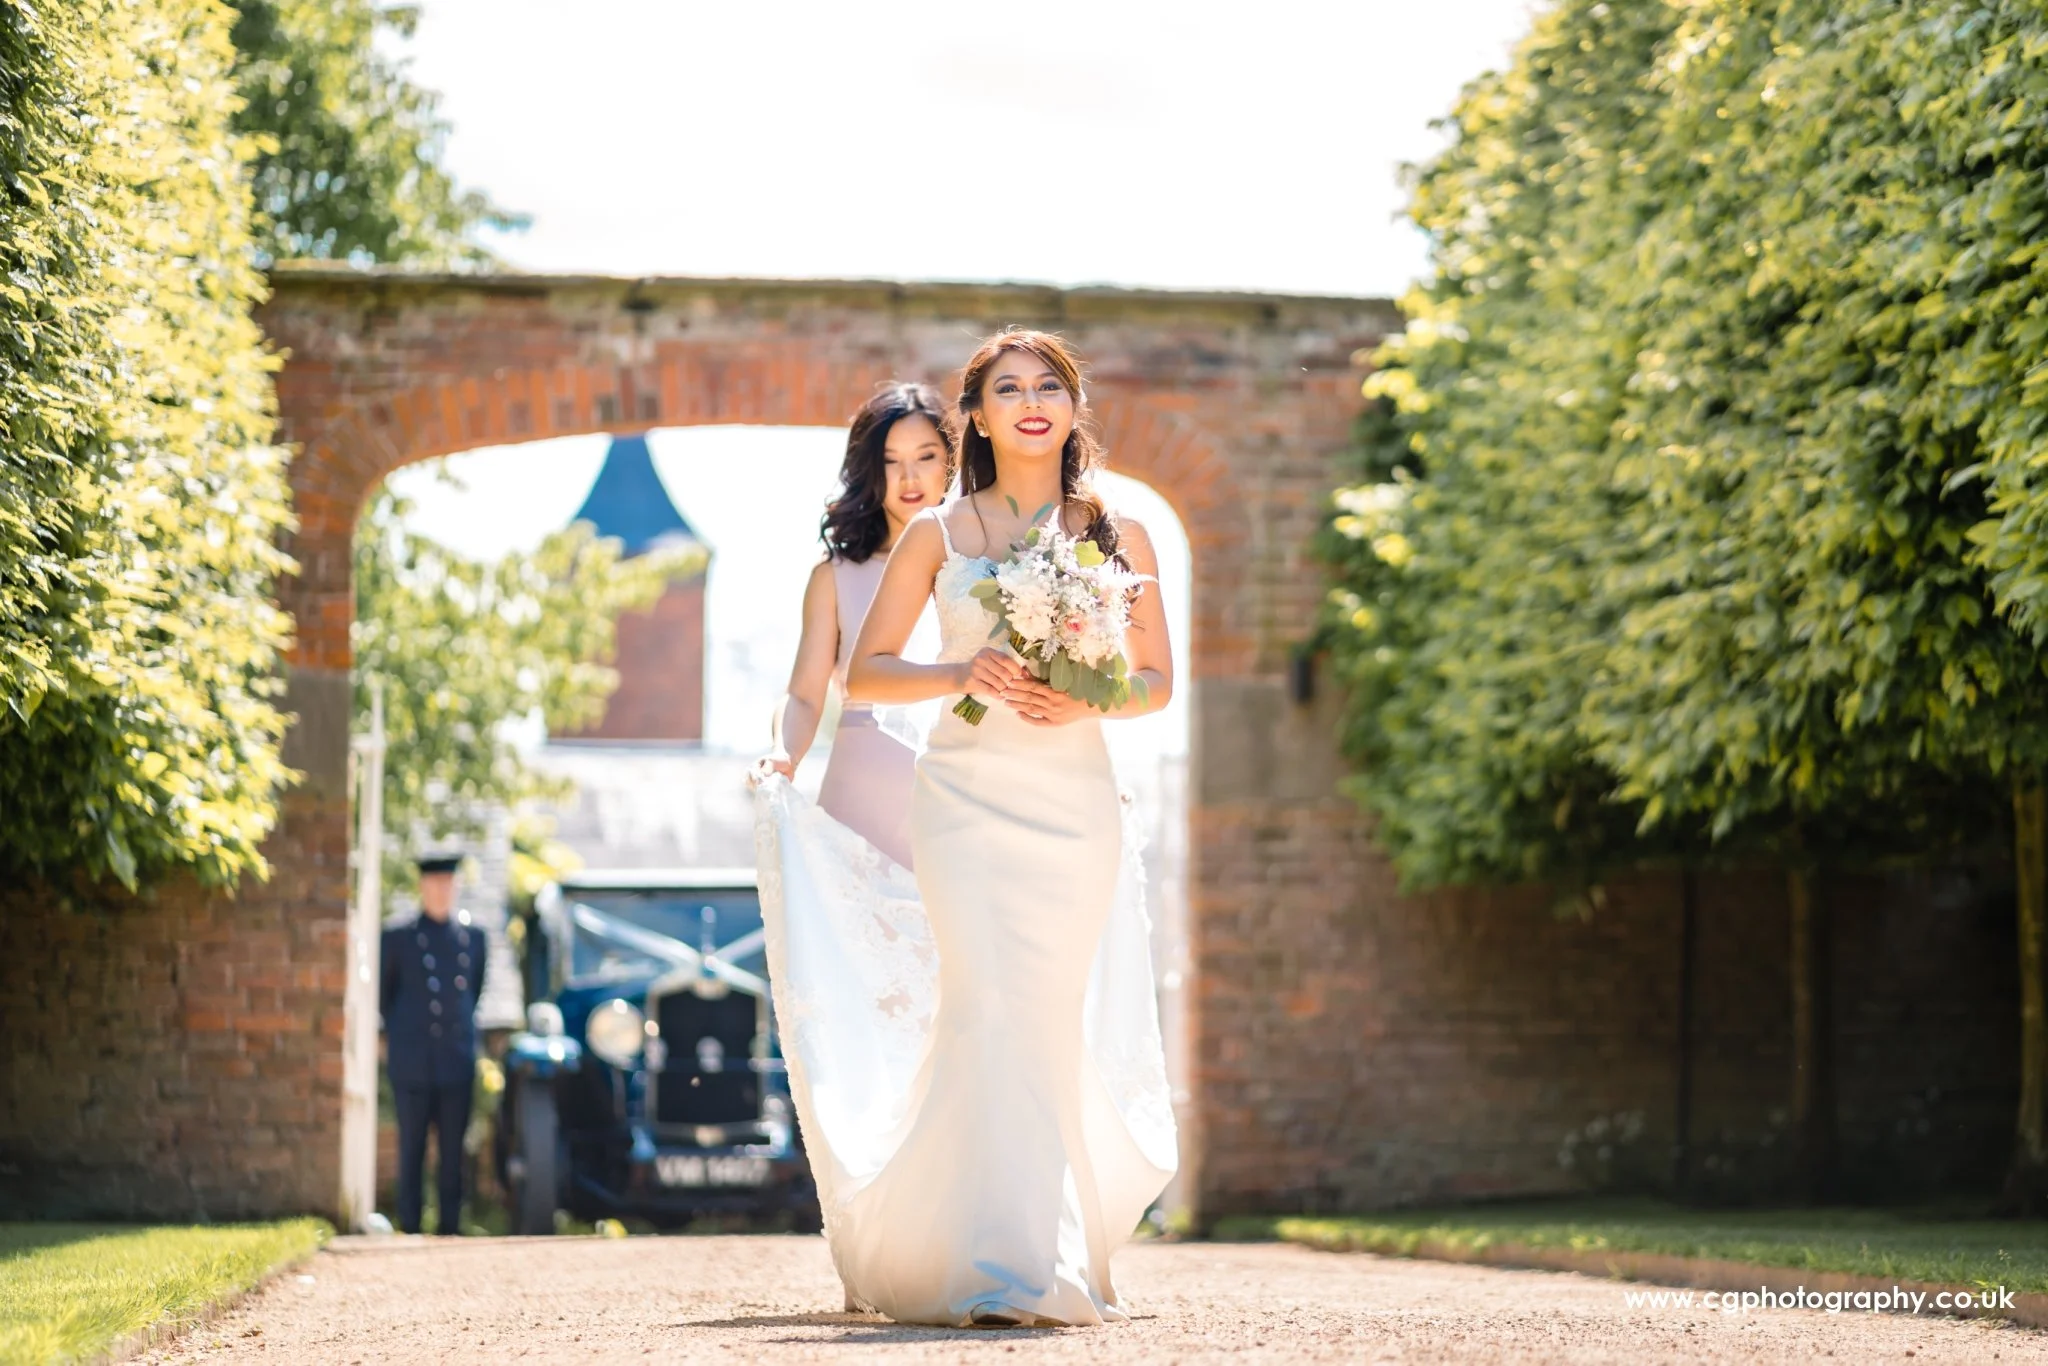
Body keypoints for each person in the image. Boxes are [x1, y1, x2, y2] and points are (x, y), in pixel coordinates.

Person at [753, 328, 1177, 1329]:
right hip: (962, 806)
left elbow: (1157, 684)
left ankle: (1028, 1246)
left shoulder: (1121, 531)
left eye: (1049, 386)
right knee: (986, 1000)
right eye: (1006, 388)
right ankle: (1007, 1266)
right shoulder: (936, 534)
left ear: (1072, 409)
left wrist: (1086, 702)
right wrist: (961, 672)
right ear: (976, 416)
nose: (1030, 401)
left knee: (1040, 1014)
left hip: (1072, 806)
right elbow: (869, 671)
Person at [753, 382, 955, 869]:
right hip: (859, 797)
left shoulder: (984, 568)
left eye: (926, 456)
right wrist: (784, 753)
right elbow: (804, 694)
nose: (909, 476)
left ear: (951, 461)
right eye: (890, 460)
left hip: (958, 793)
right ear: (870, 470)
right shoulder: (835, 576)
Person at [380, 851, 488, 1237]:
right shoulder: (398, 938)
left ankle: (450, 1227)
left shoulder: (474, 938)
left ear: (455, 887)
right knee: (411, 1147)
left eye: (447, 883)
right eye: (434, 883)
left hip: (455, 1059)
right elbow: (385, 997)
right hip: (412, 1059)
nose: (441, 891)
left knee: (453, 1152)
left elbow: (473, 992)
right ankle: (409, 1224)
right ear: (422, 887)